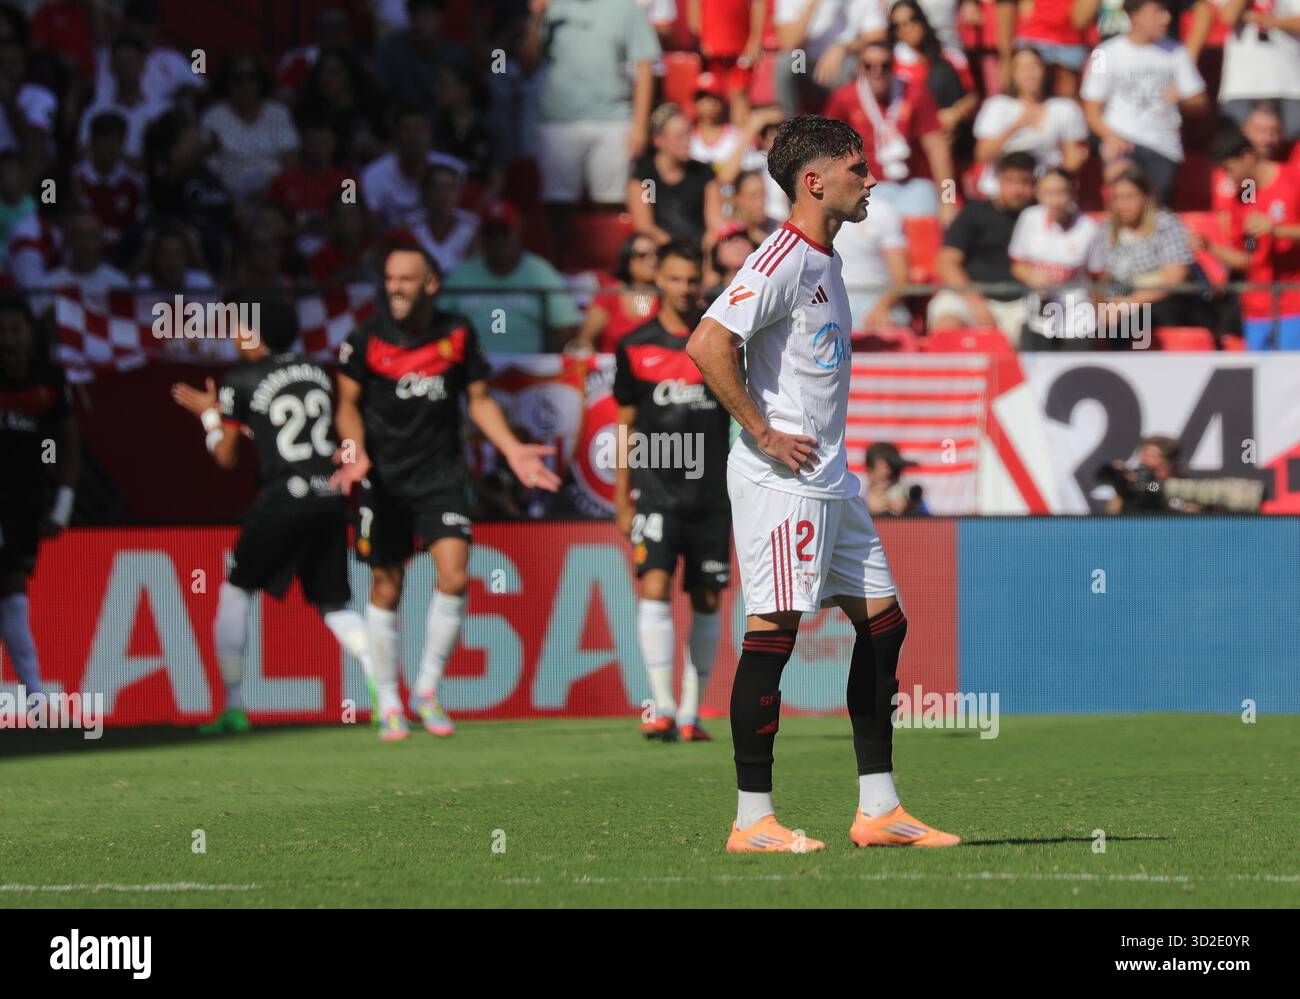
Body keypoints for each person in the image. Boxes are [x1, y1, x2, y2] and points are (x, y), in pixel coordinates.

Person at [687, 113, 960, 852]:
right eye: (857, 168)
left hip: (833, 478)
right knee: (773, 632)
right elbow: (708, 343)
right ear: (815, 181)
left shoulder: (828, 260)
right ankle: (752, 820)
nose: (870, 179)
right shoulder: (779, 259)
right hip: (785, 480)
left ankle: (879, 809)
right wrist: (764, 430)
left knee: (885, 623)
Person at [331, 242, 561, 740]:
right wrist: (354, 449)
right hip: (383, 479)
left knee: (454, 576)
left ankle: (427, 691)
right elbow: (346, 403)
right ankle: (389, 700)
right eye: (390, 279)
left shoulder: (456, 333)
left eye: (405, 279)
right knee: (386, 586)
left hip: (441, 477)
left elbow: (478, 401)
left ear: (430, 284)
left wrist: (512, 449)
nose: (395, 288)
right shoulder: (366, 338)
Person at [170, 295, 378, 735]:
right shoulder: (317, 372)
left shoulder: (242, 378)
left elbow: (225, 456)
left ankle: (233, 706)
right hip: (327, 497)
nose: (232, 336)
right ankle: (384, 690)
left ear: (255, 333)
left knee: (235, 591)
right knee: (334, 604)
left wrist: (210, 417)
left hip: (281, 498)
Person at [613, 241, 732, 742]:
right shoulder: (635, 345)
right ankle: (660, 706)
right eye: (677, 278)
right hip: (656, 490)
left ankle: (690, 712)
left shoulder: (721, 341)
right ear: (658, 280)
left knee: (707, 598)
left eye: (693, 279)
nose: (686, 289)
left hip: (711, 492)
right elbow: (626, 427)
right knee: (655, 585)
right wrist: (623, 498)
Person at [522, 0, 660, 259]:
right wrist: (537, 18)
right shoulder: (550, 8)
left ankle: (608, 270)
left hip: (613, 120)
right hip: (559, 120)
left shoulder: (626, 7)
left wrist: (640, 126)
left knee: (611, 204)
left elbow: (644, 64)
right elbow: (527, 65)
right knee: (557, 206)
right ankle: (559, 271)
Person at [0, 294, 77, 699]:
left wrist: (61, 501)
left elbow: (65, 444)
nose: (8, 339)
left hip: (26, 500)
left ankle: (33, 694)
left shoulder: (48, 382)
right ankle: (34, 694)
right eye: (2, 331)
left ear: (30, 334)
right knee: (10, 582)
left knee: (12, 588)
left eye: (15, 330)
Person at [1079, 0, 1207, 206]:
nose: (1166, 18)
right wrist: (1110, 137)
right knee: (1125, 205)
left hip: (1163, 147)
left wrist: (1182, 99)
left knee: (1156, 212)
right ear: (1134, 16)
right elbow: (1091, 106)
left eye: (1166, 11)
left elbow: (1200, 101)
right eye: (1158, 12)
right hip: (1122, 145)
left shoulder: (1177, 52)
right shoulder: (1103, 53)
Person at [823, 40, 957, 221]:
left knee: (923, 229)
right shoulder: (844, 98)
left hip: (912, 185)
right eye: (869, 65)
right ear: (860, 68)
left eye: (884, 65)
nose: (877, 71)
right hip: (865, 186)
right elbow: (828, 149)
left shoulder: (915, 93)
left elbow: (937, 148)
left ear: (894, 66)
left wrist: (948, 200)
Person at [439, 199, 583, 353]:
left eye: (503, 232)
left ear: (517, 233)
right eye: (490, 233)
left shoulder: (538, 271)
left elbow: (567, 325)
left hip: (528, 370)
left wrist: (545, 363)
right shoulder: (462, 274)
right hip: (472, 370)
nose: (497, 240)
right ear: (482, 237)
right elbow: (437, 323)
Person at [1204, 128, 1300, 350]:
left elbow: (1278, 231)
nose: (1229, 177)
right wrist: (1209, 247)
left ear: (1247, 157)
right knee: (1262, 381)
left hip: (1294, 305)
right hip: (1256, 310)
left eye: (1229, 169)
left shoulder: (1292, 181)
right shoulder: (1243, 198)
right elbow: (1248, 256)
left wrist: (1277, 230)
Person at [929, 151, 1036, 343]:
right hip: (969, 296)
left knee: (1037, 335)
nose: (1018, 189)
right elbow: (946, 264)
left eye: (1025, 182)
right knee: (947, 328)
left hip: (1023, 302)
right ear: (998, 180)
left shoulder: (1042, 216)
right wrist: (975, 302)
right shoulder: (974, 212)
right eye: (1011, 181)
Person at [1008, 167, 1107, 349]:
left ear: (1072, 192)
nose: (1054, 201)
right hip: (1038, 319)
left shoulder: (1089, 229)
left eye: (1060, 192)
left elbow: (1097, 278)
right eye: (1047, 193)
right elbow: (1017, 264)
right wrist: (1033, 278)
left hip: (1077, 320)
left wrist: (1102, 315)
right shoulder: (1029, 218)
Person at [971, 46, 1089, 200]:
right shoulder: (997, 106)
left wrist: (1050, 183)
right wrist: (1015, 127)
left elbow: (1073, 156)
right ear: (1012, 74)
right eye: (1022, 68)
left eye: (1034, 66)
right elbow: (982, 154)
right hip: (1001, 192)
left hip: (1047, 193)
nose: (1029, 73)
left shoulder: (1064, 108)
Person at [1098, 167, 1196, 344]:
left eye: (1130, 197)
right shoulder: (1105, 230)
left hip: (1160, 300)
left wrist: (1128, 303)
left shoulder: (1165, 225)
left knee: (1128, 323)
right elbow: (1101, 277)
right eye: (1117, 198)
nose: (1123, 204)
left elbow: (1174, 278)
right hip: (1119, 297)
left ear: (1146, 197)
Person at [628, 103, 724, 247]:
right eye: (679, 136)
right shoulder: (645, 178)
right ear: (658, 140)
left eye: (688, 134)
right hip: (661, 251)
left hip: (699, 250)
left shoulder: (704, 173)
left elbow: (715, 223)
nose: (687, 142)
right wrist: (676, 251)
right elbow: (645, 227)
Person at [1214, 0, 1300, 139]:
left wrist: (1263, 19)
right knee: (1239, 145)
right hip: (1241, 86)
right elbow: (1228, 17)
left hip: (1290, 85)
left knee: (1291, 143)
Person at [831, 192, 911, 329]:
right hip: (830, 300)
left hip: (875, 299)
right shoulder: (813, 212)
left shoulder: (882, 212)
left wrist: (881, 308)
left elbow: (901, 277)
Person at [575, 233, 661, 354]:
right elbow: (585, 340)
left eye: (656, 254)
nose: (653, 260)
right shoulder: (609, 294)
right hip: (611, 368)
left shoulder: (665, 295)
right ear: (627, 259)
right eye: (642, 255)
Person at [864, 441, 927, 516]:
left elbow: (931, 524)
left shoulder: (915, 503)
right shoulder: (854, 505)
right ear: (870, 473)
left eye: (895, 474)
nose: (891, 482)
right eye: (886, 477)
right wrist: (866, 511)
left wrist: (908, 513)